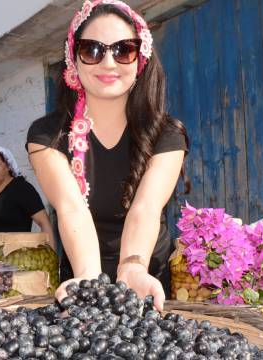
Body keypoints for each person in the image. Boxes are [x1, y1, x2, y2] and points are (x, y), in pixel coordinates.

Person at [26, 1, 188, 311]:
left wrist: (132, 266)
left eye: (123, 49)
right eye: (93, 50)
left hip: (147, 276)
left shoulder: (167, 133)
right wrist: (88, 277)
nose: (109, 63)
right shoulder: (47, 136)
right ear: (73, 58)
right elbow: (71, 208)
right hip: (81, 274)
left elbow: (146, 208)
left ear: (139, 59)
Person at [0, 147, 54, 244]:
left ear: (8, 166)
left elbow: (44, 223)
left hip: (14, 253)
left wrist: (51, 254)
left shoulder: (22, 188)